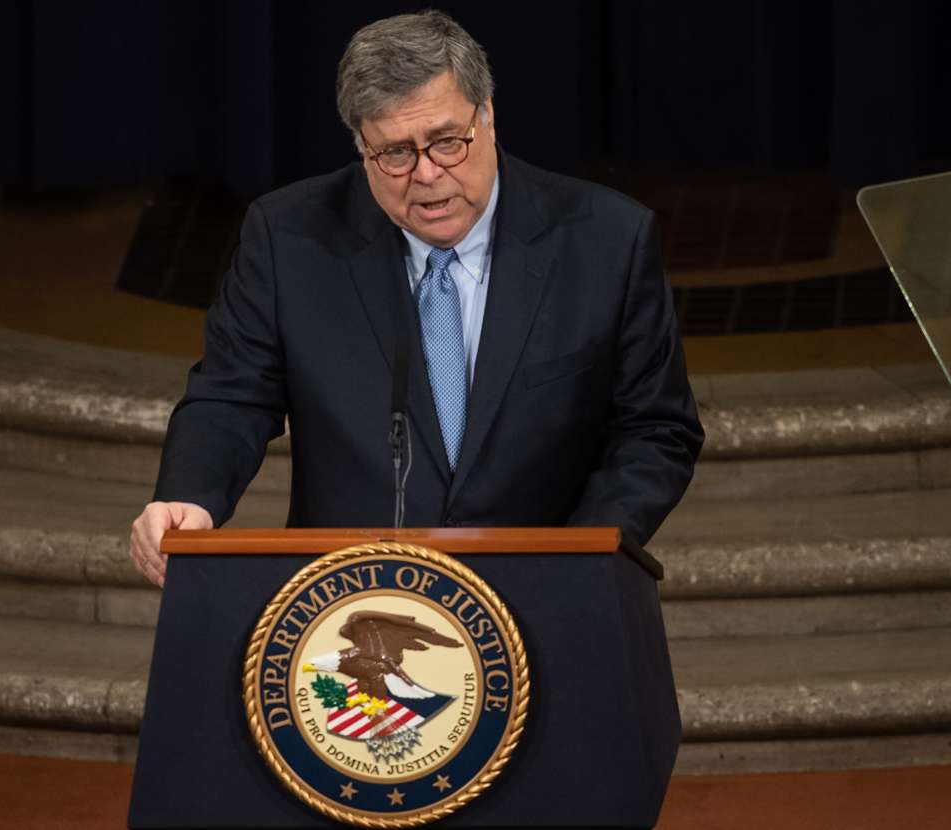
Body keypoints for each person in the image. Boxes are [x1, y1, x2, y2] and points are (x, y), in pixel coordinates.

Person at [130, 12, 700, 821]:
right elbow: (232, 390)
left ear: (488, 113)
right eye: (393, 154)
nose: (426, 176)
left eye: (447, 142)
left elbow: (657, 429)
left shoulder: (606, 240)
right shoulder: (289, 238)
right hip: (342, 641)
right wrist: (190, 493)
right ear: (360, 146)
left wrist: (578, 560)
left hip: (546, 634)